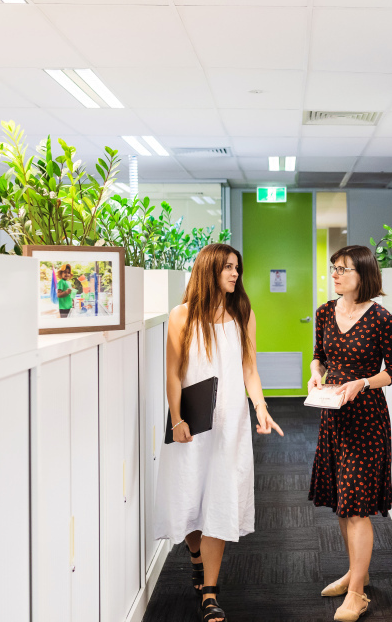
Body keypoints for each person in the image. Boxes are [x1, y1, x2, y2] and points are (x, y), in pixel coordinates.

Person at [153, 243, 284, 622]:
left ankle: (210, 590)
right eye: (228, 267)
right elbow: (173, 374)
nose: (235, 275)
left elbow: (249, 370)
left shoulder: (242, 313)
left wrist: (260, 406)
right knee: (190, 498)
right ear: (209, 270)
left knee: (220, 499)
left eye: (237, 269)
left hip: (231, 426)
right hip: (191, 426)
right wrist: (176, 420)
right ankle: (195, 557)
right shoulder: (182, 316)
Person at [308, 245, 392, 622]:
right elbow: (319, 356)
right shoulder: (324, 313)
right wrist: (317, 372)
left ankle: (358, 592)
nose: (335, 274)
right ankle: (353, 571)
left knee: (358, 507)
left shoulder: (382, 318)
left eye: (344, 269)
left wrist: (364, 382)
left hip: (367, 420)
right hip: (333, 418)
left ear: (363, 275)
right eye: (334, 268)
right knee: (343, 504)